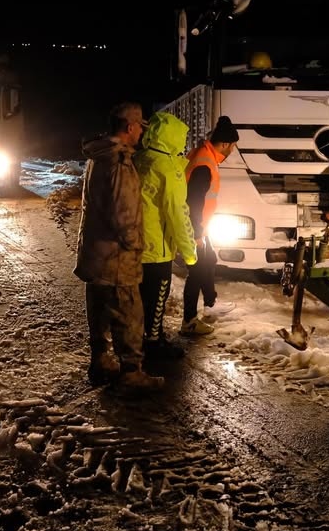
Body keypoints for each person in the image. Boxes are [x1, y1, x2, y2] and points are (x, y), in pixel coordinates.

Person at [73, 102, 164, 391]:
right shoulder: (119, 162)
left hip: (95, 253)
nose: (141, 133)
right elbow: (124, 216)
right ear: (129, 127)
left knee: (99, 311)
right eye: (140, 127)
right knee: (129, 314)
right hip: (116, 257)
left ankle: (100, 361)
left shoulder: (98, 158)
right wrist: (136, 246)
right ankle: (131, 374)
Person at [134, 110, 198, 358]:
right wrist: (190, 253)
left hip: (135, 242)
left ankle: (142, 337)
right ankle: (153, 342)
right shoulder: (169, 169)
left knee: (140, 297)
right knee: (157, 294)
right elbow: (177, 214)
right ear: (173, 137)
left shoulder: (140, 159)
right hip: (156, 247)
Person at [181, 115, 239, 336]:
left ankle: (210, 304)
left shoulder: (204, 155)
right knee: (197, 272)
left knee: (209, 261)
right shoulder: (205, 163)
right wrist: (196, 233)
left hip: (200, 226)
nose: (232, 150)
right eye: (232, 146)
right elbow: (194, 200)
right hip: (194, 227)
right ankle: (189, 321)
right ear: (224, 144)